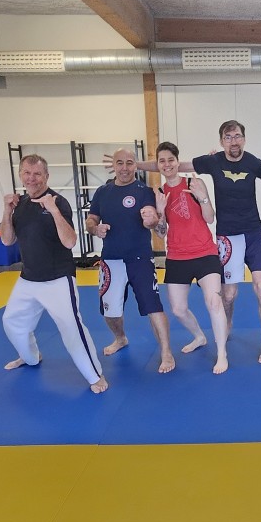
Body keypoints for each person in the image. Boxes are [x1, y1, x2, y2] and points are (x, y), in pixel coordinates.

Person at [143, 120, 261, 364]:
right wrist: (134, 165)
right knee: (228, 295)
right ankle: (224, 326)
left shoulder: (252, 163)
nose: (233, 141)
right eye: (228, 137)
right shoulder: (212, 162)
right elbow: (171, 165)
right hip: (225, 235)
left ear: (244, 138)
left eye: (237, 136)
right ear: (221, 141)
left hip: (252, 232)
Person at [0, 154, 108, 394]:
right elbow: (7, 240)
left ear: (46, 176)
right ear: (20, 175)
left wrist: (53, 210)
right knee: (11, 321)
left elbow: (70, 242)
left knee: (71, 328)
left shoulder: (59, 202)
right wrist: (6, 211)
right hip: (28, 279)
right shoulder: (20, 205)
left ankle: (95, 375)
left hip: (58, 279)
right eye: (27, 173)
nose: (32, 178)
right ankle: (31, 357)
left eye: (37, 174)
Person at [85, 148, 175, 374]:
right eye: (120, 163)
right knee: (110, 311)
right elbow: (91, 220)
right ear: (113, 166)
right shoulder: (102, 192)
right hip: (111, 260)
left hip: (140, 259)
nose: (124, 168)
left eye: (129, 163)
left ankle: (166, 352)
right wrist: (95, 229)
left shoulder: (145, 191)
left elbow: (155, 225)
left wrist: (152, 219)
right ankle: (120, 338)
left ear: (136, 165)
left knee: (154, 307)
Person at [151, 142, 229, 374]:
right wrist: (160, 213)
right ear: (158, 165)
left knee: (214, 302)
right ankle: (199, 337)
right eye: (162, 161)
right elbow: (160, 233)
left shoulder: (194, 183)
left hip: (205, 252)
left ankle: (222, 353)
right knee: (178, 309)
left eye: (171, 160)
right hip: (176, 255)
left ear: (177, 161)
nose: (167, 164)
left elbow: (210, 218)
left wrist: (202, 197)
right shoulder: (159, 193)